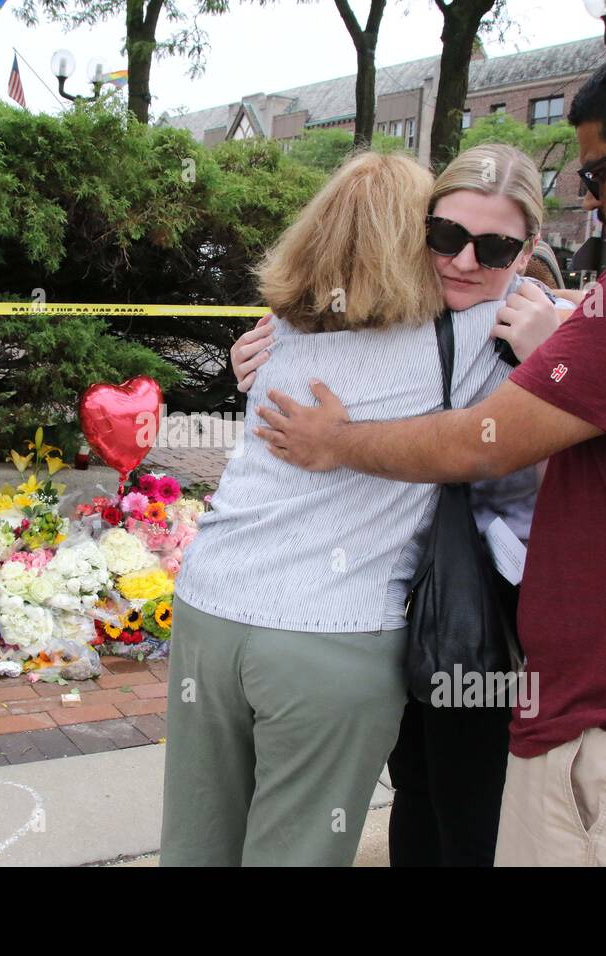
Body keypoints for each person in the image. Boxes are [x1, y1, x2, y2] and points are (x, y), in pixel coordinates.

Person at [247, 39, 606, 866]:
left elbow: (486, 442)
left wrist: (334, 440)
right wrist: (292, 346)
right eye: (445, 235)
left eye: (597, 176)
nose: (595, 205)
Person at [160, 148, 527, 866]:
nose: (459, 260)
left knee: (197, 844)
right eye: (443, 236)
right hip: (332, 635)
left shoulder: (279, 330)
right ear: (414, 238)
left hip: (208, 608)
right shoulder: (473, 333)